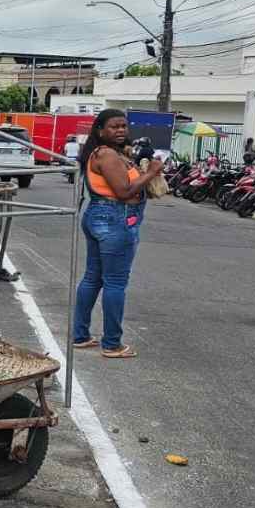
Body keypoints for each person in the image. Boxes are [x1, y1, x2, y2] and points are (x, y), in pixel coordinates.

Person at [71, 109, 163, 359]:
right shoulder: (107, 155)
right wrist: (152, 172)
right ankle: (112, 344)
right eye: (114, 126)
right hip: (115, 219)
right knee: (115, 282)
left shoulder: (104, 153)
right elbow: (124, 191)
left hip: (99, 216)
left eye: (124, 126)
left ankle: (80, 335)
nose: (121, 130)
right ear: (100, 130)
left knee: (93, 277)